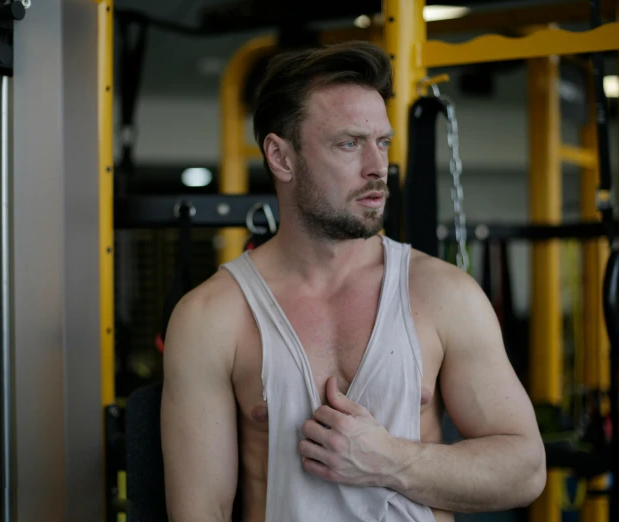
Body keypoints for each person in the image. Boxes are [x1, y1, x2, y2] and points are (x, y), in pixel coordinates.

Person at [160, 41, 546, 522]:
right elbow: (201, 510)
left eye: (381, 143)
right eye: (349, 143)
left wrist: (390, 460)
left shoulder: (444, 295)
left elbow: (525, 470)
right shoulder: (211, 317)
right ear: (281, 157)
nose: (377, 168)